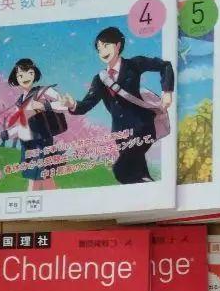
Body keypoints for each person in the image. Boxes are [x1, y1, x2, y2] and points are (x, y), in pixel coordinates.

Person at [61, 26, 174, 184]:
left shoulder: (134, 64)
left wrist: (167, 92)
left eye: (106, 45)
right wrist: (72, 104)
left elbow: (165, 65)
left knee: (121, 171)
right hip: (120, 134)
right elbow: (86, 104)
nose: (102, 52)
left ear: (118, 45)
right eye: (99, 49)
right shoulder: (100, 79)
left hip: (142, 127)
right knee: (137, 175)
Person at [0, 58, 68, 190]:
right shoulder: (19, 101)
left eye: (30, 73)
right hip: (28, 145)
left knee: (41, 180)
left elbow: (64, 105)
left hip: (42, 143)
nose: (26, 77)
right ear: (16, 78)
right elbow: (21, 127)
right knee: (41, 181)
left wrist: (44, 106)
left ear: (34, 74)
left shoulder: (43, 91)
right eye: (21, 75)